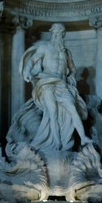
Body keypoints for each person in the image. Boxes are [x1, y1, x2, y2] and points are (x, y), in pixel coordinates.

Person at [19, 23, 91, 152]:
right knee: (52, 113)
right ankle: (57, 142)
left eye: (62, 33)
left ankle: (84, 137)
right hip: (47, 83)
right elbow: (32, 61)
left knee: (73, 109)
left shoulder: (66, 51)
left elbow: (72, 69)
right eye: (57, 33)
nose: (59, 36)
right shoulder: (44, 47)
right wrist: (27, 72)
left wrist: (71, 77)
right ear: (52, 33)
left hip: (62, 84)